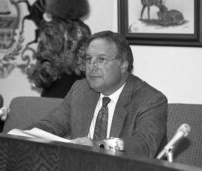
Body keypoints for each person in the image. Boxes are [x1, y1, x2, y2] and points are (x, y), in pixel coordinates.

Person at [32, 30, 167, 157]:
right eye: (88, 59)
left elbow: (144, 146)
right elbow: (51, 125)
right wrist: (21, 135)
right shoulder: (80, 90)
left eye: (101, 59)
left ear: (123, 65)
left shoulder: (150, 99)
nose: (92, 66)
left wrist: (98, 145)